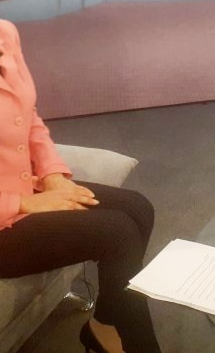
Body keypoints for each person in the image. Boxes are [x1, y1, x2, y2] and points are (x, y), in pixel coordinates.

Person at [0, 19, 161, 352]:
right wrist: (24, 203)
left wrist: (52, 176)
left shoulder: (5, 32)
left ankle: (103, 327)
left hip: (26, 187)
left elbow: (29, 119)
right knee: (117, 233)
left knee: (138, 208)